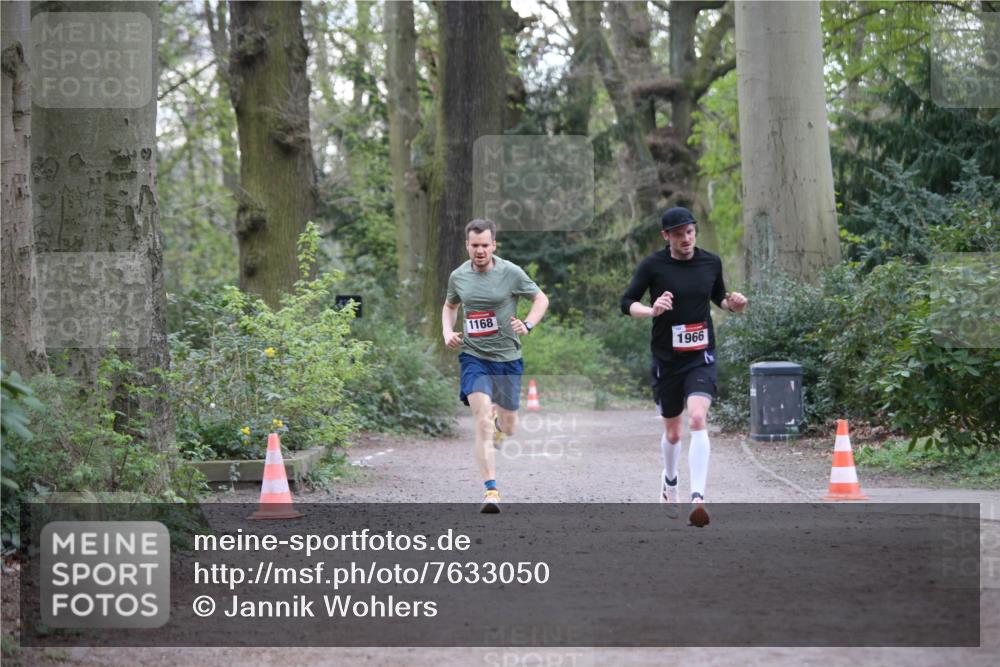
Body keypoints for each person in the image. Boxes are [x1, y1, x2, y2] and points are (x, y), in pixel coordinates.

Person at [620, 207, 747, 526]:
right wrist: (651, 310)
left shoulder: (711, 262)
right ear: (667, 237)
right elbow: (626, 303)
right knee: (674, 434)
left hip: (700, 355)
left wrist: (732, 305)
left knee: (697, 417)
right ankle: (671, 481)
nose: (686, 239)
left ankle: (698, 498)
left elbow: (718, 296)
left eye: (689, 232)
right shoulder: (653, 266)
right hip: (667, 359)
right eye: (678, 234)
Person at [443, 219, 549, 513]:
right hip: (473, 356)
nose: (479, 251)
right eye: (474, 245)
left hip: (507, 359)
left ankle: (501, 426)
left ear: (493, 245)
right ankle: (491, 491)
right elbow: (450, 306)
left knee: (510, 425)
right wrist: (447, 332)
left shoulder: (510, 272)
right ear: (467, 245)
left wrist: (527, 323)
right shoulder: (458, 277)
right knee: (481, 421)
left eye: (485, 245)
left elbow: (541, 298)